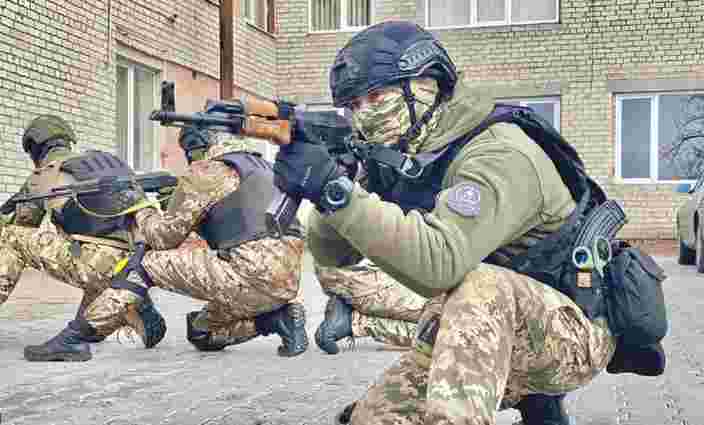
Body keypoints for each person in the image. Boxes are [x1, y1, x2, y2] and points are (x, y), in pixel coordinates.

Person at [272, 21, 662, 425]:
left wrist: (335, 192)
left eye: (375, 97)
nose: (364, 115)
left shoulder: (498, 152)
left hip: (573, 333)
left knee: (481, 285)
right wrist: (334, 184)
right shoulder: (403, 154)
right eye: (353, 106)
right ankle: (537, 406)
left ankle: (534, 394)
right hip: (484, 332)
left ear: (427, 85)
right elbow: (333, 253)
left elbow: (439, 265)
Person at [76, 125, 309, 357]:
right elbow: (232, 225)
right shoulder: (265, 168)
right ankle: (279, 319)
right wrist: (178, 201)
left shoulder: (209, 171)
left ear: (195, 149)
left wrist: (141, 207)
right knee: (201, 332)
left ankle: (78, 333)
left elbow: (162, 238)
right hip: (286, 283)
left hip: (250, 278)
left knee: (149, 263)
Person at [0, 115, 166, 361]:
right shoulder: (108, 165)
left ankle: (116, 302)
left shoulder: (44, 174)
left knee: (11, 237)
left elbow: (24, 225)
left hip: (94, 262)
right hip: (132, 266)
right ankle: (124, 305)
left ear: (35, 148)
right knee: (87, 315)